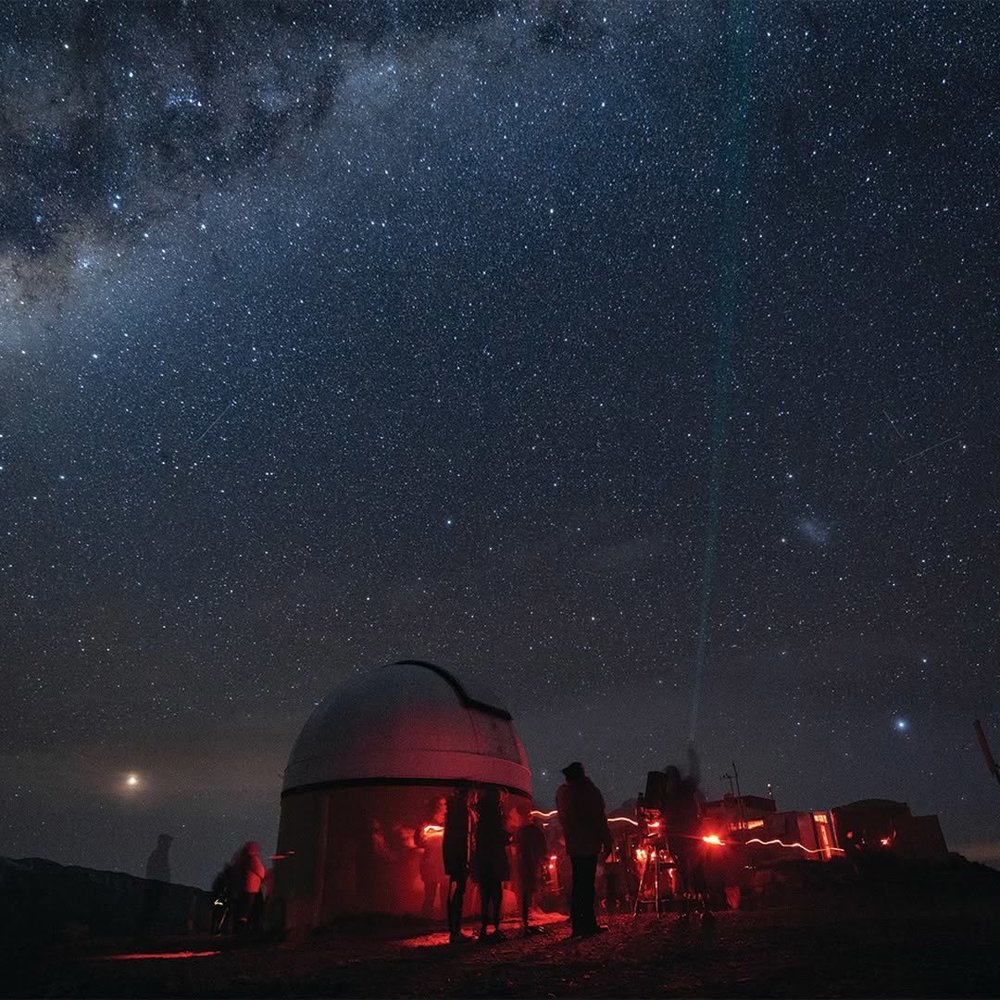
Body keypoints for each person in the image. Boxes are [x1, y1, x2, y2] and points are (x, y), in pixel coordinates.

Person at [556, 762, 612, 937]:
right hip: (589, 845)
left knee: (578, 885)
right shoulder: (590, 792)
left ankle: (577, 925)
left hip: (574, 846)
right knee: (587, 885)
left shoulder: (563, 794)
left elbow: (565, 820)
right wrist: (606, 841)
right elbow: (599, 818)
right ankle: (588, 924)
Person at [663, 743, 711, 919]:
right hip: (689, 835)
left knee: (685, 872)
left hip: (680, 837)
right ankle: (702, 908)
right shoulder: (683, 789)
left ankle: (687, 909)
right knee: (694, 871)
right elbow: (695, 776)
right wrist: (693, 758)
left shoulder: (669, 794)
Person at [472, 787, 510, 940]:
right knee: (496, 893)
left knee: (485, 894)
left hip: (483, 858)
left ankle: (483, 928)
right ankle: (496, 927)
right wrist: (508, 837)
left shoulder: (479, 814)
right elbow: (498, 836)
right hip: (494, 858)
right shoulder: (495, 815)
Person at [443, 786, 472, 943]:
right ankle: (455, 931)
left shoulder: (452, 814)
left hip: (455, 859)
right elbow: (463, 839)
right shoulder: (461, 813)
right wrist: (465, 861)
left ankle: (454, 929)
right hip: (459, 860)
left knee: (455, 892)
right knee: (457, 893)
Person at [415, 797, 448, 919]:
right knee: (430, 894)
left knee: (445, 894)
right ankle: (426, 919)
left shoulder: (448, 822)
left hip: (444, 862)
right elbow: (418, 841)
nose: (445, 806)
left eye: (445, 804)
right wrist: (425, 836)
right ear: (436, 806)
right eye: (443, 804)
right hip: (431, 862)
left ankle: (445, 919)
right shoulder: (425, 824)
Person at [515, 815, 548, 935]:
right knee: (528, 891)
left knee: (525, 890)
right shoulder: (534, 831)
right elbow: (543, 848)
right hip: (531, 863)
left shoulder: (521, 831)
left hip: (523, 863)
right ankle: (526, 921)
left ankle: (525, 921)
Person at [138, 833, 173, 934]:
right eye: (168, 843)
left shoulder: (160, 855)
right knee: (153, 909)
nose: (169, 846)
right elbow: (156, 872)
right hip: (156, 887)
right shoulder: (158, 855)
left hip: (158, 887)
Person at [233, 841, 267, 937]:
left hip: (244, 888)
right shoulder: (253, 859)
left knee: (244, 909)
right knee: (249, 909)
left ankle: (240, 930)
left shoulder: (242, 860)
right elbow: (261, 871)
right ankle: (248, 930)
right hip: (252, 888)